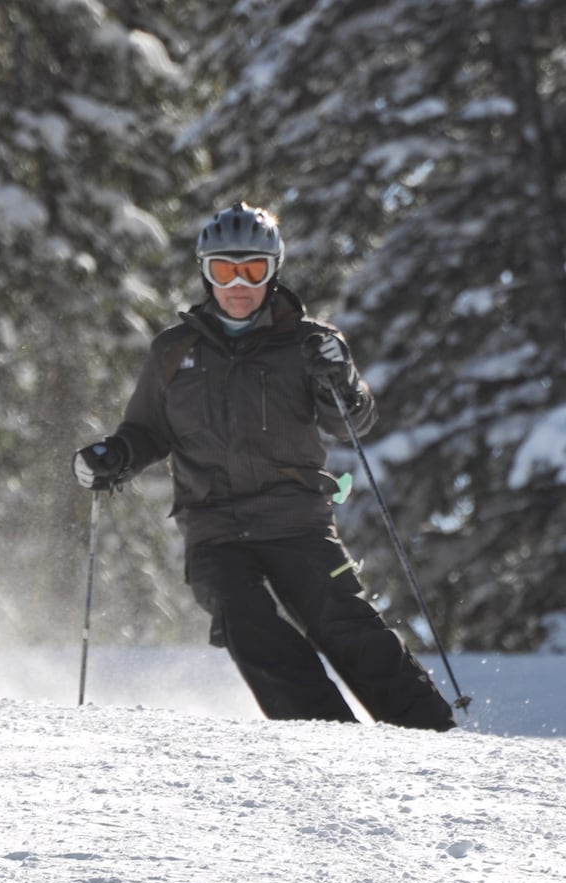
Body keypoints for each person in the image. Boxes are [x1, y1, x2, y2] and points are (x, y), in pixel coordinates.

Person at [72, 202, 454, 730]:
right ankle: (327, 738)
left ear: (273, 270)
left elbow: (352, 423)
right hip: (213, 528)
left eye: (252, 269)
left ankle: (431, 737)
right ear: (205, 274)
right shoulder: (173, 352)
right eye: (223, 270)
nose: (238, 284)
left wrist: (339, 379)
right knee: (246, 621)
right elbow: (146, 431)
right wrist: (113, 457)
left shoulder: (310, 343)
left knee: (342, 622)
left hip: (296, 520)